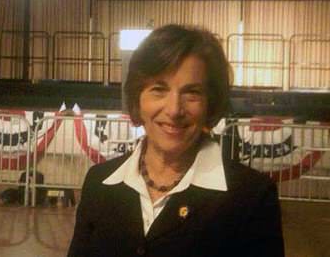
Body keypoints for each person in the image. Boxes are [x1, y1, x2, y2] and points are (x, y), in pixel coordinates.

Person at [68, 24, 285, 257]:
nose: (174, 110)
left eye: (191, 93)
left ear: (210, 103)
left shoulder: (251, 197)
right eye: (159, 89)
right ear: (137, 99)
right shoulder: (98, 183)